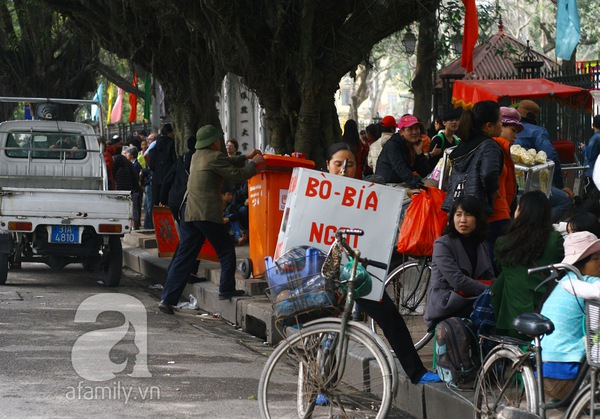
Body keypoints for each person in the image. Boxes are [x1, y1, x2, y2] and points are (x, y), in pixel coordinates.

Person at [326, 142, 441, 384]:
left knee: (391, 319)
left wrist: (404, 194)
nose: (344, 169)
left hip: (360, 273)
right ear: (328, 165)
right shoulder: (315, 193)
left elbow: (386, 196)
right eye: (338, 164)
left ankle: (416, 372)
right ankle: (321, 387)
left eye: (350, 164)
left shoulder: (367, 191)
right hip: (328, 273)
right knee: (328, 329)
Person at [159, 125, 265, 314]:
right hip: (206, 212)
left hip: (189, 212)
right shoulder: (215, 157)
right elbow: (239, 174)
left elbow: (226, 162)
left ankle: (167, 299)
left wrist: (246, 157)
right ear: (214, 142)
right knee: (225, 251)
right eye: (218, 140)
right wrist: (254, 163)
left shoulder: (197, 156)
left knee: (184, 257)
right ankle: (226, 289)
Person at [490, 191, 564, 339]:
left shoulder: (503, 242)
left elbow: (499, 268)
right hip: (544, 314)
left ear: (519, 212)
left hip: (510, 318)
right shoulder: (554, 240)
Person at [539, 231, 600, 400]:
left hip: (545, 376)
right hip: (567, 379)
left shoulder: (565, 282)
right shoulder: (587, 283)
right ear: (579, 264)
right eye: (595, 259)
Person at [424, 195, 494, 328]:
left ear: (478, 219)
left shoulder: (481, 244)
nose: (462, 220)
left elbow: (489, 276)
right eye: (458, 214)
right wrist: (490, 291)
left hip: (473, 299)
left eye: (468, 215)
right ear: (452, 218)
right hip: (448, 304)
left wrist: (497, 290)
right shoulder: (443, 244)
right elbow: (457, 280)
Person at [442, 100, 504, 217]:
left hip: (455, 208)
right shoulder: (489, 146)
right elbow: (488, 174)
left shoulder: (464, 143)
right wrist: (493, 190)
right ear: (489, 126)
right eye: (500, 120)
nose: (502, 124)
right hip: (475, 208)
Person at [515, 100, 573, 223]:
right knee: (565, 200)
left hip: (510, 184)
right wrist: (560, 185)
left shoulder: (509, 129)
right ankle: (538, 227)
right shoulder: (538, 131)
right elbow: (551, 156)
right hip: (532, 184)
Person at [487, 107, 521, 265]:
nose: (515, 135)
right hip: (495, 213)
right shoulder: (494, 148)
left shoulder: (503, 148)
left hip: (503, 210)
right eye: (512, 130)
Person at [375, 114, 439, 187]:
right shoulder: (393, 144)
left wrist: (420, 154)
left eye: (416, 128)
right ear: (401, 132)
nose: (415, 132)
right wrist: (418, 184)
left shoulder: (413, 144)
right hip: (388, 185)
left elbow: (425, 172)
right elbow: (401, 168)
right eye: (410, 129)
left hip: (404, 183)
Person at [148, 123, 177, 207]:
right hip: (169, 178)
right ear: (170, 132)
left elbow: (147, 155)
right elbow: (174, 161)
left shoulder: (156, 144)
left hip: (156, 178)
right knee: (167, 204)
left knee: (156, 206)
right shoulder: (172, 143)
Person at [581, 115, 600, 200]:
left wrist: (584, 148)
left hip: (591, 172)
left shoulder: (595, 138)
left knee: (590, 199)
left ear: (593, 125)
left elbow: (589, 155)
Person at [124, 146, 143, 230]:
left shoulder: (135, 165)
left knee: (135, 207)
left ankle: (135, 225)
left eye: (127, 153)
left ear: (131, 155)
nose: (126, 155)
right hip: (134, 189)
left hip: (135, 189)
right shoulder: (132, 164)